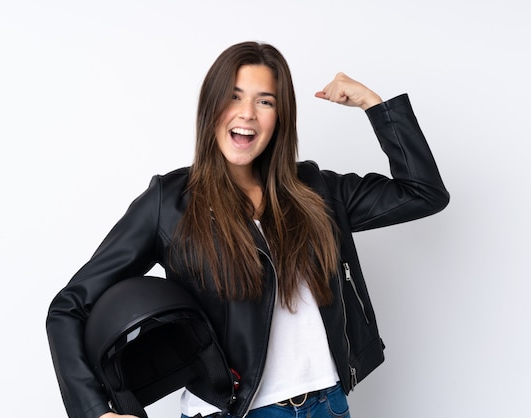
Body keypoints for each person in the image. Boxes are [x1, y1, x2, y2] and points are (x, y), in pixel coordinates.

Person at [46, 41, 449, 418]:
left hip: (328, 404)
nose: (247, 113)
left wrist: (373, 105)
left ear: (280, 117)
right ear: (211, 107)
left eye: (265, 101)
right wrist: (95, 411)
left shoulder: (315, 191)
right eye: (234, 96)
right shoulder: (168, 203)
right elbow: (69, 306)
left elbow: (423, 192)